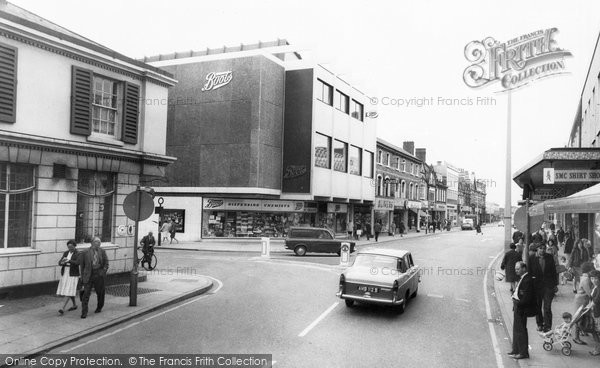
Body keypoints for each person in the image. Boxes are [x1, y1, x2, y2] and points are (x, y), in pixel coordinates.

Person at [509, 261, 536, 360]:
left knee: (521, 330)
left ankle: (523, 352)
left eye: (518, 269)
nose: (516, 271)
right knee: (516, 329)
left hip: (521, 308)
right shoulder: (523, 278)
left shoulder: (527, 280)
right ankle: (515, 350)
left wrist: (518, 303)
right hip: (517, 306)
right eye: (515, 269)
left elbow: (527, 297)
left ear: (524, 268)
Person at [529, 243, 558, 332]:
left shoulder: (549, 257)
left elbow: (554, 271)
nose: (542, 250)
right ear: (537, 249)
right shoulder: (532, 258)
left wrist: (555, 285)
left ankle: (548, 326)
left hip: (548, 286)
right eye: (540, 248)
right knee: (537, 307)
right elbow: (529, 273)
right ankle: (540, 324)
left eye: (544, 248)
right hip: (537, 287)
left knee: (547, 307)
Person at [80, 237, 109, 319]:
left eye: (99, 242)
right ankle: (84, 312)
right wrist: (82, 277)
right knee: (86, 294)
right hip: (88, 275)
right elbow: (82, 266)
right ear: (92, 243)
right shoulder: (85, 252)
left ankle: (99, 307)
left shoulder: (102, 251)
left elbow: (106, 263)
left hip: (98, 274)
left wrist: (103, 271)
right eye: (96, 242)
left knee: (100, 293)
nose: (98, 244)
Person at [573, 262, 595, 345]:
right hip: (581, 300)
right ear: (588, 270)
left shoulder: (586, 277)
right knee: (578, 318)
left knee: (582, 317)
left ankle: (582, 332)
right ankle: (576, 337)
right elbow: (589, 293)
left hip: (583, 300)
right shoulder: (586, 279)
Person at [56, 240, 80, 315]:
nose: (70, 248)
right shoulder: (66, 253)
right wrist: (62, 262)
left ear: (74, 246)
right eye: (68, 247)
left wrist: (69, 261)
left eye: (71, 247)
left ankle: (62, 308)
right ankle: (74, 305)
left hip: (73, 273)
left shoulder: (78, 253)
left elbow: (77, 263)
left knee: (69, 289)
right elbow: (59, 262)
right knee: (70, 290)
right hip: (65, 272)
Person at [588, 270, 600, 356]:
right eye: (592, 278)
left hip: (598, 312)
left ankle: (598, 349)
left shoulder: (599, 287)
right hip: (594, 311)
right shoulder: (594, 286)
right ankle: (597, 348)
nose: (594, 280)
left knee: (597, 331)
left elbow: (596, 300)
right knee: (594, 331)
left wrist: (589, 306)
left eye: (596, 278)